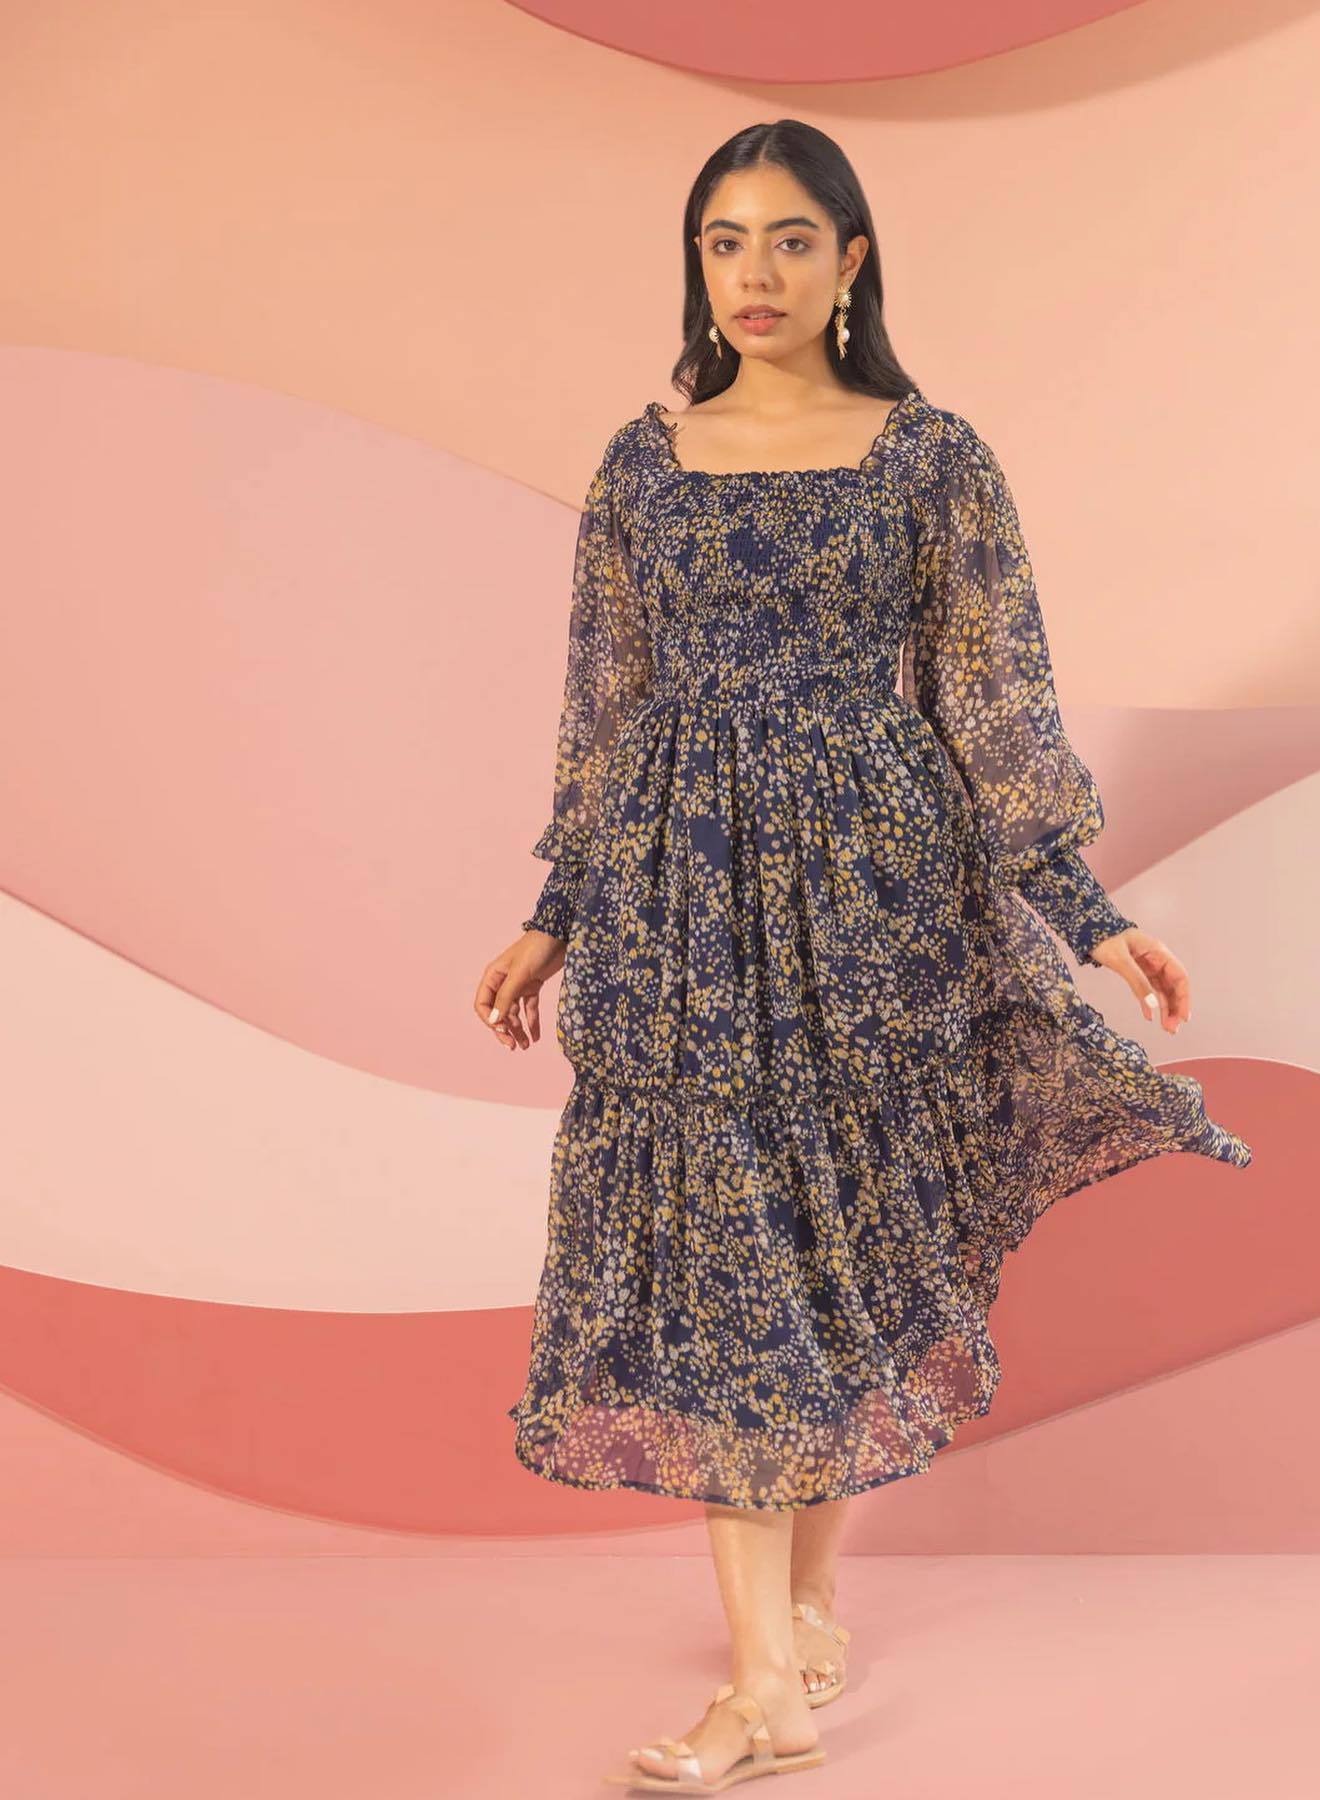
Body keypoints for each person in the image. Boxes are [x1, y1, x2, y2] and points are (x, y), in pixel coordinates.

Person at [475, 119, 1253, 1794]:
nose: (751, 274)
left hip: (875, 902)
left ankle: (805, 1613)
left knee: (831, 1245)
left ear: (853, 259)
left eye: (787, 240)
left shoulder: (932, 459)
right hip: (682, 903)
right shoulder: (643, 465)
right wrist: (557, 911)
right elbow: (604, 708)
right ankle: (768, 1681)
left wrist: (1090, 913)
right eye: (722, 241)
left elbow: (994, 702)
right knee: (720, 1248)